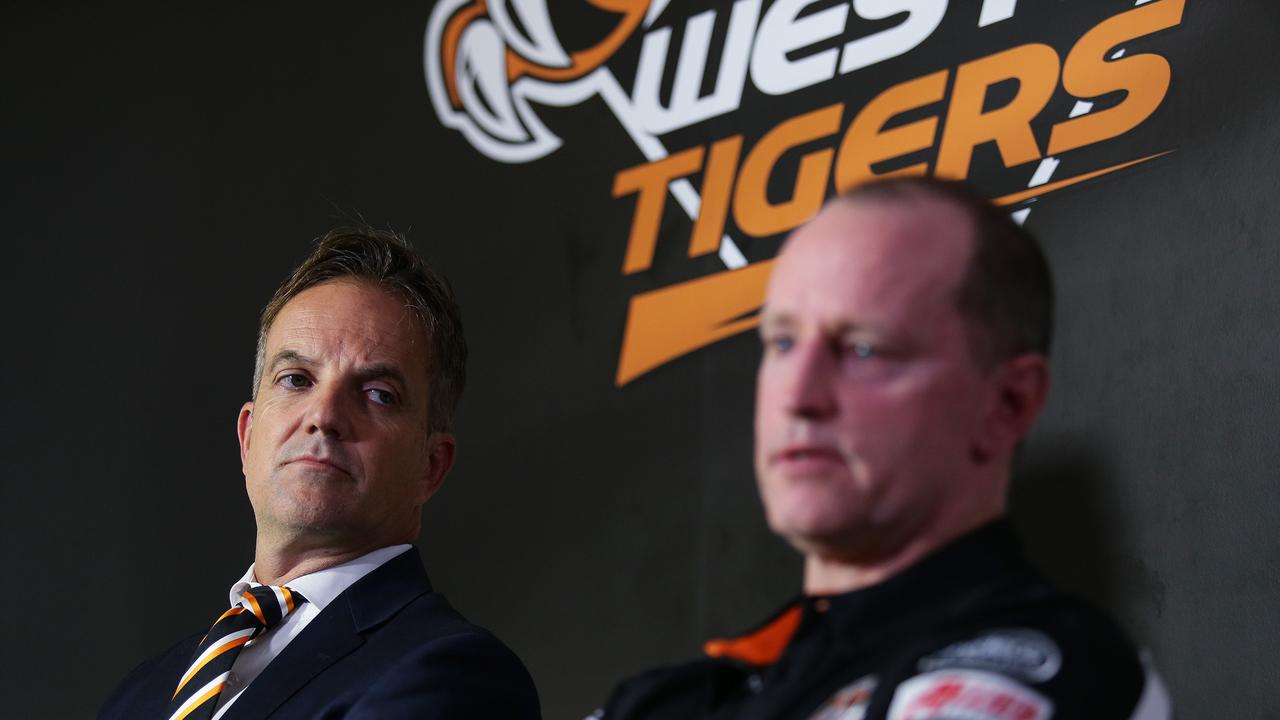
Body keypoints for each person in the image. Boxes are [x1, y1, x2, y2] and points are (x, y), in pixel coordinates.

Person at [594, 178, 1170, 719]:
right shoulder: (667, 699)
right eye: (783, 342)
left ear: (1008, 404)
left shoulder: (1043, 669)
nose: (797, 396)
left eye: (864, 350)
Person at [100, 228, 540, 720]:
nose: (323, 414)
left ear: (430, 466)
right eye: (296, 379)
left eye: (377, 393)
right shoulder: (141, 693)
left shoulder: (457, 674)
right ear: (247, 438)